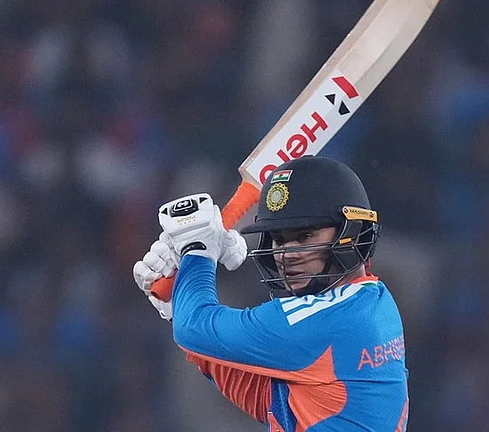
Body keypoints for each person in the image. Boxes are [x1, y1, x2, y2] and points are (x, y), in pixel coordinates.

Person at [133, 156, 409, 431]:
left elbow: (195, 329)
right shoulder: (375, 302)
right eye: (278, 239)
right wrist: (181, 301)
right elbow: (268, 400)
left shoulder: (323, 321)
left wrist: (196, 251)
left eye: (305, 236)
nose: (287, 254)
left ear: (353, 232)